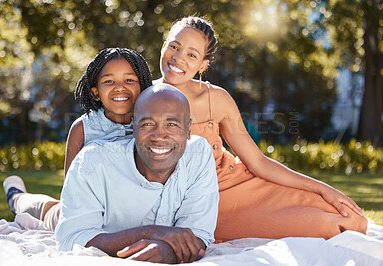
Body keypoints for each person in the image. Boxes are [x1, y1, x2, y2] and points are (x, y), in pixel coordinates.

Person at [155, 16, 368, 242]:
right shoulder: (141, 97)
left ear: (203, 65)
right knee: (332, 225)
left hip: (237, 185)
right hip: (206, 203)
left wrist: (324, 189)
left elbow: (257, 161)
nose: (178, 58)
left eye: (192, 55)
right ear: (164, 46)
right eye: (174, 46)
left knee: (348, 217)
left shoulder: (215, 98)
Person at [55, 84, 219, 264]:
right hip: (72, 210)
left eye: (172, 124)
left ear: (188, 129)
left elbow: (198, 233)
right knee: (46, 211)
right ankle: (18, 197)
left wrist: (168, 252)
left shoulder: (199, 154)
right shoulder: (92, 161)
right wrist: (149, 233)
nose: (159, 136)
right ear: (134, 126)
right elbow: (70, 240)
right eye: (148, 123)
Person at [3, 47, 153, 231]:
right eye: (109, 81)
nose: (119, 86)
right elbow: (70, 190)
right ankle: (15, 195)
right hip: (82, 212)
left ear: (143, 85)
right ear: (96, 91)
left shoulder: (152, 123)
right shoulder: (82, 128)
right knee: (43, 209)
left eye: (129, 80)